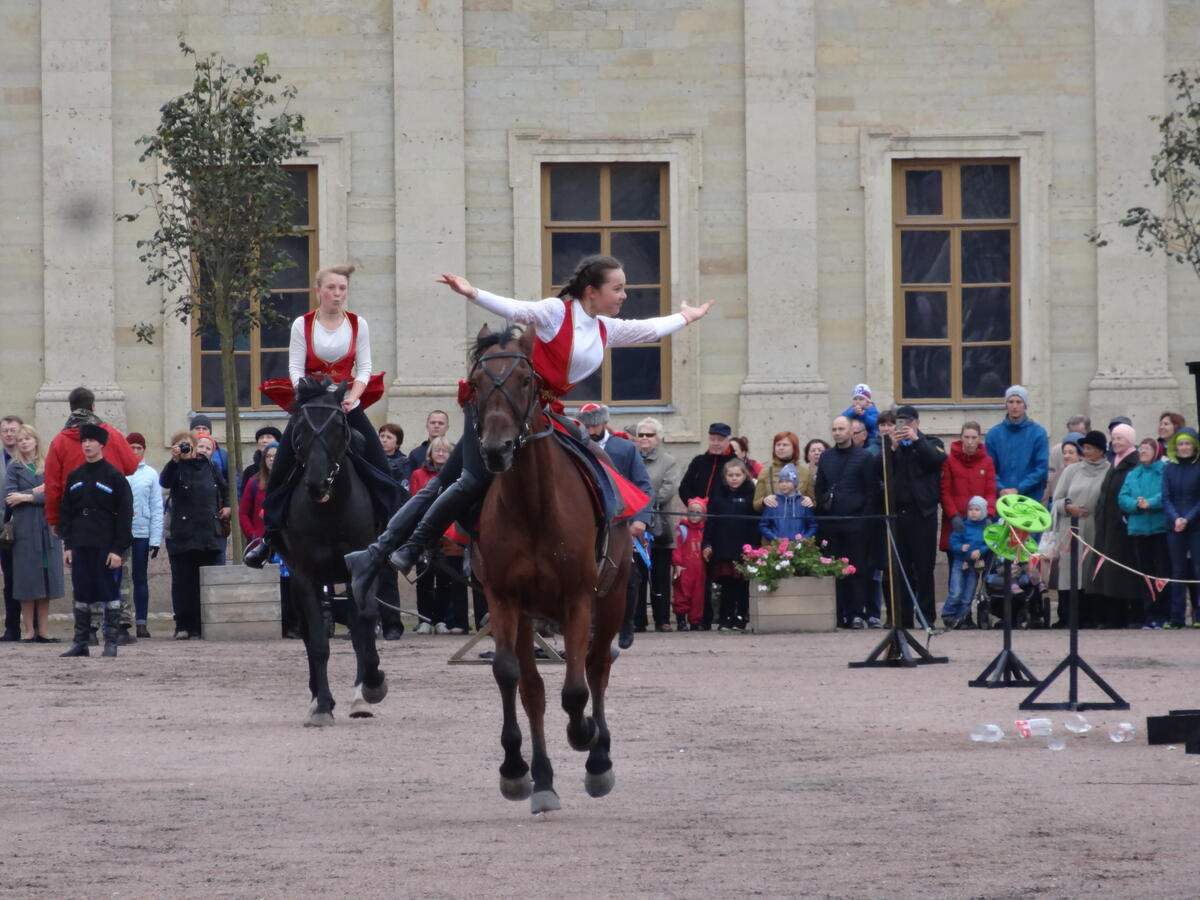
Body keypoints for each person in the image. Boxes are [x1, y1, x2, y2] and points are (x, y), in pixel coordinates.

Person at [344, 254, 711, 608]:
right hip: (500, 411)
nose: (624, 295)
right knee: (468, 481)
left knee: (587, 454)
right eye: (617, 288)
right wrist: (473, 293)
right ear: (591, 291)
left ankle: (380, 552)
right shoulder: (556, 313)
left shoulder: (605, 328)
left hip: (537, 413)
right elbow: (517, 309)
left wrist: (686, 317)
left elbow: (647, 330)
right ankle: (407, 548)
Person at [245, 265, 394, 567]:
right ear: (318, 290)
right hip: (312, 404)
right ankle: (270, 538)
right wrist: (312, 397)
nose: (337, 294)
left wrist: (352, 397)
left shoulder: (357, 324)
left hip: (347, 402)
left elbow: (364, 367)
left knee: (381, 465)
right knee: (282, 462)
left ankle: (393, 532)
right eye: (331, 288)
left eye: (342, 289)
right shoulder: (303, 324)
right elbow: (296, 370)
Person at [579, 403, 654, 648]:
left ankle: (627, 623)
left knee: (629, 574)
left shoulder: (625, 449)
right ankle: (588, 625)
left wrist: (641, 519)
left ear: (604, 422)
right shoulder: (576, 446)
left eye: (595, 424)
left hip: (620, 522)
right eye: (587, 424)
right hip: (588, 522)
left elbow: (643, 485)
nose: (591, 429)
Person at [58, 424, 133, 658]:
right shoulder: (75, 476)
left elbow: (125, 516)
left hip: (106, 546)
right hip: (80, 545)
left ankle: (111, 642)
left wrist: (118, 550)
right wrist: (68, 545)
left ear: (101, 444)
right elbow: (66, 514)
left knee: (110, 594)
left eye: (91, 441)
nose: (87, 445)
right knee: (81, 594)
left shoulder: (114, 477)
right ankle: (81, 642)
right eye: (84, 441)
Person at [880, 406, 945, 628]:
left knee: (924, 568)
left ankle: (926, 618)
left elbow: (936, 461)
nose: (903, 426)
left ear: (916, 422)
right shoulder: (891, 446)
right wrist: (892, 447)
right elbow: (880, 471)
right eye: (899, 422)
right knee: (900, 568)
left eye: (907, 422)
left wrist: (916, 440)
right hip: (899, 514)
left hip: (923, 515)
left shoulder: (931, 442)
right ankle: (903, 618)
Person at [161, 430, 228, 639]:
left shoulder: (211, 467)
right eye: (180, 445)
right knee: (183, 582)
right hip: (182, 535)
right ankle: (183, 624)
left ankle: (201, 625)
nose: (185, 448)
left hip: (208, 533)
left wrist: (227, 507)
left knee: (204, 581)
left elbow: (225, 490)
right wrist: (173, 460)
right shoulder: (176, 468)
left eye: (187, 444)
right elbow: (164, 481)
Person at [44, 387, 138, 534]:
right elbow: (131, 466)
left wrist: (54, 519)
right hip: (111, 512)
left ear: (71, 408)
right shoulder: (112, 434)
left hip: (76, 515)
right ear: (93, 406)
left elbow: (52, 485)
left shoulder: (59, 442)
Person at [815, 416, 877, 628]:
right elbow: (820, 489)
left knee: (857, 569)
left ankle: (857, 613)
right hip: (832, 523)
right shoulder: (826, 457)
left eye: (841, 429)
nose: (837, 433)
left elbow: (871, 492)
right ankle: (839, 613)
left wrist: (863, 520)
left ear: (851, 431)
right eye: (834, 429)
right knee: (834, 569)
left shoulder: (865, 457)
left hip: (856, 523)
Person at [4, 425, 64, 642]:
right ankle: (29, 630)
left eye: (27, 438)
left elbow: (56, 493)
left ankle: (44, 631)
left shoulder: (48, 464)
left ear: (36, 441)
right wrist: (38, 492)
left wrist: (27, 497)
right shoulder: (14, 467)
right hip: (25, 531)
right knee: (27, 581)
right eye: (20, 440)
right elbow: (10, 497)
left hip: (48, 530)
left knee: (46, 582)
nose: (24, 442)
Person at [1049, 431, 1110, 627]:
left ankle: (1092, 617)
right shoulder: (1071, 471)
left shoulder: (1110, 471)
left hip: (1095, 529)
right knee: (1070, 572)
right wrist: (1068, 507)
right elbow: (1056, 500)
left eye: (1090, 448)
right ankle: (1068, 617)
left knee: (1091, 571)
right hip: (1072, 528)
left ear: (1100, 451)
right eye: (1085, 447)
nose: (1086, 451)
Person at [1088, 423, 1142, 628]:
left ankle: (1125, 616)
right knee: (1108, 572)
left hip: (1123, 526)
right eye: (1114, 438)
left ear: (1129, 440)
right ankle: (1111, 616)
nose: (1116, 442)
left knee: (1122, 573)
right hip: (1107, 526)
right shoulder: (1115, 463)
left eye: (1120, 438)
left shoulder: (1133, 464)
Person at [1118, 437, 1170, 628]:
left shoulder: (1164, 471)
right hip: (1138, 530)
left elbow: (1166, 493)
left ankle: (1164, 614)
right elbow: (1123, 497)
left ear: (1155, 451)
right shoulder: (1133, 474)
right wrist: (1137, 505)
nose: (1143, 452)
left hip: (1159, 529)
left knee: (1162, 572)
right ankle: (1149, 614)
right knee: (1144, 574)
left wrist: (1151, 502)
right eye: (1141, 449)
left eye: (1147, 449)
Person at [635, 416, 680, 633]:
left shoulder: (668, 461)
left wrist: (643, 502)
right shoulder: (631, 458)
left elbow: (668, 489)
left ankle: (662, 618)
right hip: (636, 524)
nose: (644, 438)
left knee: (661, 573)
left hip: (659, 524)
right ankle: (638, 619)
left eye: (649, 435)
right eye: (641, 434)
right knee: (638, 574)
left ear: (658, 438)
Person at [702, 458, 758, 632]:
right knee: (726, 584)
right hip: (723, 545)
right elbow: (710, 522)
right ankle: (725, 617)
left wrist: (754, 548)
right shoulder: (718, 493)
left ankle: (741, 616)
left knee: (741, 583)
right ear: (725, 477)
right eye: (730, 475)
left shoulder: (751, 492)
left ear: (745, 475)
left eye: (738, 475)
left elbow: (755, 523)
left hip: (744, 546)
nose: (734, 478)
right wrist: (707, 544)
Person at [409, 436, 455, 634]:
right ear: (431, 453)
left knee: (446, 578)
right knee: (424, 578)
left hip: (449, 532)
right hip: (426, 531)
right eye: (438, 450)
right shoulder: (418, 474)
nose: (441, 453)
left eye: (445, 450)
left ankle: (441, 619)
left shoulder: (458, 474)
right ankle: (425, 619)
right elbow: (414, 501)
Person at [122, 433, 163, 640]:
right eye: (132, 447)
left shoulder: (150, 474)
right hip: (121, 532)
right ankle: (120, 621)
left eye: (139, 447)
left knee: (140, 577)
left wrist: (155, 539)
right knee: (120, 578)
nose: (135, 451)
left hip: (142, 532)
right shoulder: (119, 470)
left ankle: (141, 622)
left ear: (144, 450)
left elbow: (157, 507)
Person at [939, 421, 996, 566]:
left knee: (979, 570)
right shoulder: (949, 461)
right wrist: (953, 516)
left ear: (979, 439)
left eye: (974, 437)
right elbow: (945, 492)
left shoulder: (987, 462)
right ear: (961, 438)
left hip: (979, 523)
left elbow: (990, 491)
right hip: (957, 523)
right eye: (966, 437)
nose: (970, 442)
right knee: (956, 570)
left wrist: (989, 514)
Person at [984, 385, 1049, 502]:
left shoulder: (1038, 433)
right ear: (1006, 404)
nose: (1015, 406)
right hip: (1002, 500)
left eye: (1019, 402)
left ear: (1025, 405)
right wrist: (1001, 489)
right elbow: (988, 468)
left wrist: (1019, 489)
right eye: (1011, 401)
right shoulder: (993, 435)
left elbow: (1041, 468)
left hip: (1029, 499)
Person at [1163, 428, 1200, 629]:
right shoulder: (1169, 468)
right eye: (1180, 444)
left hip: (1196, 525)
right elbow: (1165, 496)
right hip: (1174, 525)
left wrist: (1187, 518)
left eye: (1187, 444)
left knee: (1197, 568)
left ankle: (1198, 615)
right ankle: (1176, 617)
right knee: (1177, 571)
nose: (1184, 447)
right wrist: (1176, 518)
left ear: (1194, 446)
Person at [376, 423, 409, 641]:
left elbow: (402, 494)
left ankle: (392, 624)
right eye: (381, 435)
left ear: (397, 442)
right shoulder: (369, 459)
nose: (384, 439)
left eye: (388, 437)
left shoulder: (403, 463)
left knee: (387, 576)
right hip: (370, 522)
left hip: (389, 524)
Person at [941, 495, 990, 629]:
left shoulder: (986, 529)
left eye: (977, 509)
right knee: (956, 591)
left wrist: (980, 551)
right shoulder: (962, 526)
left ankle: (960, 618)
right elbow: (953, 541)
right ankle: (948, 615)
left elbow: (990, 543)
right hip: (960, 561)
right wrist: (960, 547)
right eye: (971, 509)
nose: (973, 512)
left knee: (968, 594)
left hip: (974, 565)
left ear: (984, 512)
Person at [1, 415, 23, 641]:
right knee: (10, 579)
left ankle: (33, 626)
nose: (9, 433)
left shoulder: (29, 460)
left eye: (12, 430)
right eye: (5, 430)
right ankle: (12, 627)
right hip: (3, 531)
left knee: (30, 577)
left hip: (27, 527)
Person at [671, 497, 707, 631]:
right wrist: (677, 564)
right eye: (691, 511)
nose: (694, 515)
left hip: (700, 570)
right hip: (685, 569)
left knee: (698, 597)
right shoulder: (682, 529)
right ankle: (681, 620)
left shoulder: (704, 531)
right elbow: (677, 548)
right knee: (682, 594)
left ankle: (695, 621)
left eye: (698, 512)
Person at [679, 423, 735, 505]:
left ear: (728, 441)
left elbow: (740, 493)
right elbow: (684, 487)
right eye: (712, 439)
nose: (715, 443)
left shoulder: (736, 463)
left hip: (722, 515)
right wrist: (693, 503)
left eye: (720, 440)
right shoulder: (698, 461)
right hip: (697, 513)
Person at [759, 463, 816, 542]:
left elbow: (812, 525)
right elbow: (763, 525)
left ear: (795, 483)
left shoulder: (804, 502)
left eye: (788, 481)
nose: (784, 484)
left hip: (800, 548)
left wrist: (804, 539)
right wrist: (775, 539)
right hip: (777, 548)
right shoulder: (773, 501)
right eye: (781, 481)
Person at [753, 431, 808, 512]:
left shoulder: (805, 472)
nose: (780, 448)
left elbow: (814, 503)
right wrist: (764, 501)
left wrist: (808, 501)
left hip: (797, 521)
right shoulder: (765, 472)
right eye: (778, 445)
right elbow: (756, 505)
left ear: (794, 448)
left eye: (785, 445)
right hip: (774, 521)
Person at [1046, 415, 1091, 503]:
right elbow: (1050, 479)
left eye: (1081, 434)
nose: (1076, 437)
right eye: (1072, 433)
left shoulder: (1095, 452)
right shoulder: (1056, 450)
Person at [238, 441, 275, 545]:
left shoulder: (288, 482)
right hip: (260, 542)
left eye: (275, 456)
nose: (271, 459)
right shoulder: (254, 482)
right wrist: (253, 535)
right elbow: (243, 513)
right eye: (268, 456)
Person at [405, 410, 450, 477]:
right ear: (427, 426)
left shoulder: (455, 452)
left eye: (441, 423)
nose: (436, 426)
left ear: (447, 427)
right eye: (432, 422)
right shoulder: (415, 454)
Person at [239, 426, 283, 494]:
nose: (264, 440)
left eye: (269, 437)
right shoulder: (250, 471)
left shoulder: (286, 468)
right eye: (261, 438)